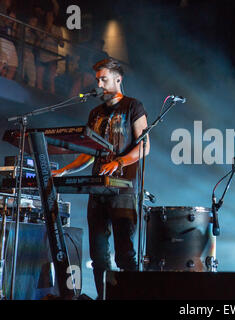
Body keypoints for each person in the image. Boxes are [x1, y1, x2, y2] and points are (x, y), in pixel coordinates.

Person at [52, 58, 150, 298]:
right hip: (98, 189)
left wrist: (119, 161)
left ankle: (132, 296)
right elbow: (89, 153)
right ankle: (102, 296)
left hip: (123, 189)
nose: (100, 84)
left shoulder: (133, 106)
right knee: (98, 255)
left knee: (125, 253)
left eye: (104, 79)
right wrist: (65, 170)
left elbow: (144, 146)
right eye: (97, 79)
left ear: (118, 79)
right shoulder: (95, 112)